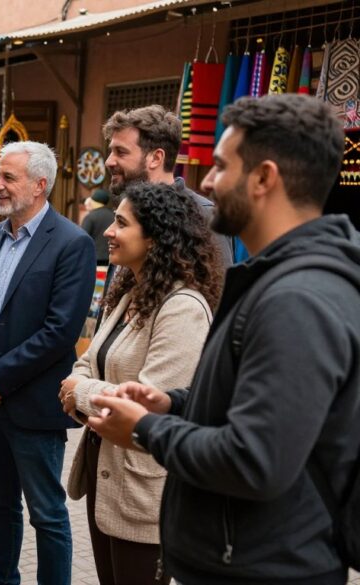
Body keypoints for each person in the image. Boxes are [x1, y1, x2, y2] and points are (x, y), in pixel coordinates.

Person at [87, 94, 360, 585]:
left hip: (266, 567)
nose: (207, 182)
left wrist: (147, 430)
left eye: (218, 166)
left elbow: (256, 459)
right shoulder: (273, 280)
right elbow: (253, 405)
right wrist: (173, 403)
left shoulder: (296, 299)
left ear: (263, 178)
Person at [59, 182, 223, 585]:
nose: (107, 232)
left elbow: (149, 405)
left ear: (155, 237)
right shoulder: (131, 291)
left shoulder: (182, 306)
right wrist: (86, 386)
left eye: (120, 223)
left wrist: (79, 392)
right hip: (105, 472)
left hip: (144, 492)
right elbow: (85, 360)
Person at [0, 141, 96, 585]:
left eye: (7, 177)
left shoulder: (72, 243)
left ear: (40, 184)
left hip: (34, 407)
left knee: (47, 515)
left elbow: (60, 333)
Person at [104, 105, 235, 267]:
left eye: (120, 152)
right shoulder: (128, 210)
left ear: (156, 158)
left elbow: (219, 288)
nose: (108, 161)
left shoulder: (202, 216)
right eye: (111, 151)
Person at [81, 188, 115, 264]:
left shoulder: (90, 217)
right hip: (110, 258)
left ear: (94, 202)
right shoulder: (113, 216)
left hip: (93, 258)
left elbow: (83, 238)